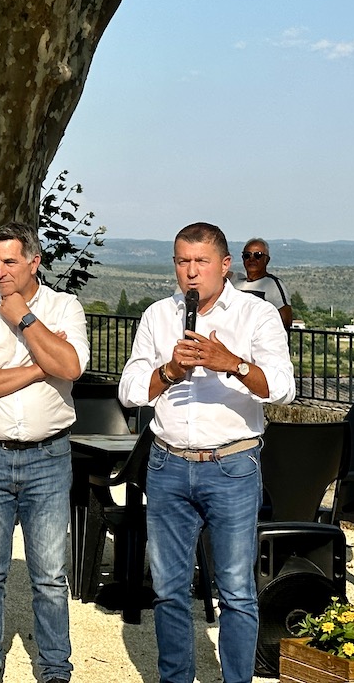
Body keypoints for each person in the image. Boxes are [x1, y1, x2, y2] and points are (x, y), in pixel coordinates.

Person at [118, 222, 294, 683]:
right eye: (182, 261)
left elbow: (282, 389)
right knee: (170, 589)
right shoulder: (158, 315)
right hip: (168, 463)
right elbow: (132, 388)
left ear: (225, 264)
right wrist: (171, 370)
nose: (191, 272)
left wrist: (230, 363)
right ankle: (175, 677)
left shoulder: (256, 316)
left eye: (200, 262)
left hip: (232, 465)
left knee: (236, 588)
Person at [0, 222, 88, 683]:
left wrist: (24, 320)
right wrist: (35, 369)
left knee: (50, 575)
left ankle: (54, 670)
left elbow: (69, 367)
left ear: (34, 260)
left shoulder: (64, 306)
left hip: (49, 456)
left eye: (9, 261)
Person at [234, 237, 293, 330]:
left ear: (267, 260)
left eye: (258, 255)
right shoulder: (236, 284)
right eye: (247, 255)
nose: (251, 259)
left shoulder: (273, 284)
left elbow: (286, 320)